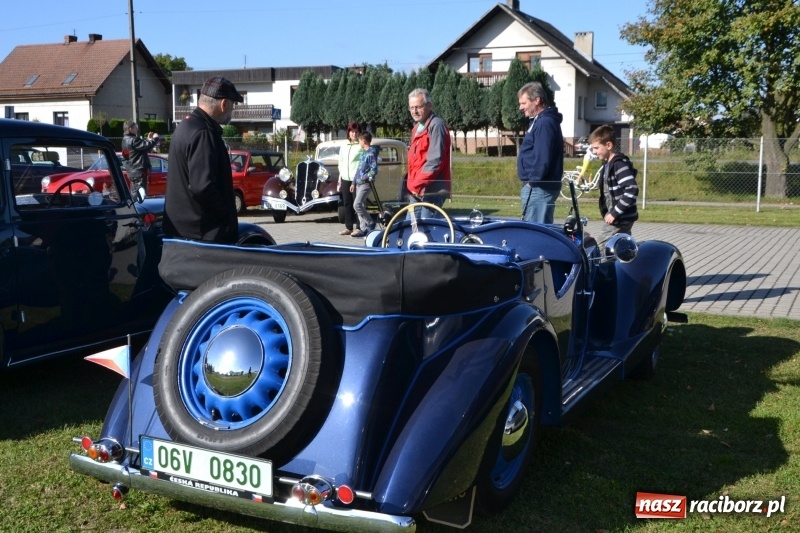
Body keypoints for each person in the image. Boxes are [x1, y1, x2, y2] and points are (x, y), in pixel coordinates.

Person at [164, 76, 243, 244]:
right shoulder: (203, 133)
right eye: (233, 105)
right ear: (224, 104)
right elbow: (203, 187)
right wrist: (225, 215)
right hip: (203, 236)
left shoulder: (185, 127)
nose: (232, 111)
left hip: (185, 233)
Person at [517, 81, 563, 224]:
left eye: (523, 103)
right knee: (541, 231)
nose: (520, 107)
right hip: (538, 188)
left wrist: (533, 182)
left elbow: (543, 156)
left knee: (535, 234)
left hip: (539, 188)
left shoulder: (544, 123)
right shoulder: (539, 122)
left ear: (536, 100)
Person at [588, 124, 639, 248]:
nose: (594, 152)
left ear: (608, 145)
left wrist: (615, 213)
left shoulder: (618, 165)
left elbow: (631, 189)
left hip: (620, 218)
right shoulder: (607, 164)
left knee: (600, 249)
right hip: (618, 217)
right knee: (620, 248)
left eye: (596, 148)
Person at [407, 88, 451, 218]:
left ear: (429, 106)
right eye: (411, 108)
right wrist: (411, 186)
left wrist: (417, 184)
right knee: (412, 229)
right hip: (416, 191)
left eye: (418, 107)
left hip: (432, 191)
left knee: (427, 233)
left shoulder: (436, 125)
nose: (414, 111)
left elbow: (435, 161)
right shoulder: (416, 128)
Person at [121, 120, 160, 198]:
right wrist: (155, 139)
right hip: (139, 171)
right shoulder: (134, 139)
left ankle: (134, 207)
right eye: (136, 127)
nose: (137, 129)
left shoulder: (124, 140)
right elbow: (147, 145)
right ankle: (139, 208)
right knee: (140, 194)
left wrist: (148, 140)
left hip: (132, 171)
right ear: (130, 129)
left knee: (134, 192)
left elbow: (141, 148)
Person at [350, 132, 377, 238]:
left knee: (356, 205)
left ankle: (370, 222)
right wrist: (353, 182)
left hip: (365, 183)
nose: (359, 142)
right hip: (358, 183)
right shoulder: (363, 153)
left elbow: (374, 170)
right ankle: (364, 229)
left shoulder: (371, 153)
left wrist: (364, 178)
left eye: (360, 140)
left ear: (364, 141)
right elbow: (358, 169)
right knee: (360, 205)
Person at [337, 121, 362, 235]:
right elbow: (341, 162)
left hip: (356, 178)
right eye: (352, 132)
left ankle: (359, 226)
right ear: (348, 133)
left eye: (356, 132)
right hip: (345, 177)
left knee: (357, 203)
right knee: (347, 203)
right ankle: (348, 227)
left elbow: (362, 162)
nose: (354, 134)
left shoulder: (361, 145)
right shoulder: (344, 146)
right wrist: (340, 178)